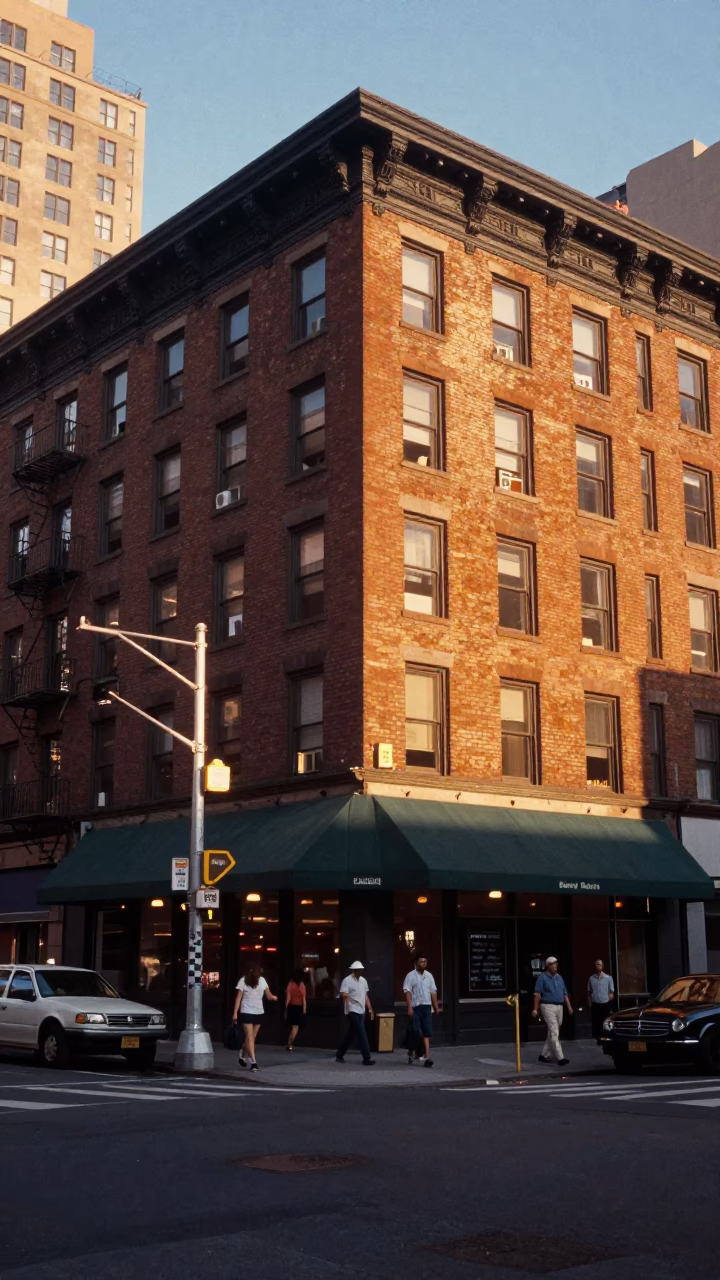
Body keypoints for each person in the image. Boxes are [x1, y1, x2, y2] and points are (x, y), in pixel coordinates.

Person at [232, 962, 278, 1072]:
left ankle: (242, 1054)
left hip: (256, 1011)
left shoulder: (254, 980)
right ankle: (253, 1062)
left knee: (251, 1037)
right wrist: (274, 997)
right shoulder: (246, 980)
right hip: (248, 1011)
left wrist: (273, 997)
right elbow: (268, 996)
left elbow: (267, 995)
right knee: (250, 1037)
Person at [532, 955, 574, 1065]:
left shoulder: (560, 978)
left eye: (556, 963)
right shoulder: (542, 978)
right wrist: (535, 1009)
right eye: (552, 964)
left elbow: (565, 994)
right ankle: (561, 1058)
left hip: (559, 1006)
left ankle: (544, 1055)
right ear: (547, 966)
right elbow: (537, 994)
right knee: (554, 1031)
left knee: (553, 1031)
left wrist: (569, 1007)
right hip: (547, 1005)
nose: (555, 965)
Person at [403, 953, 441, 1068]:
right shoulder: (410, 976)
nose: (423, 963)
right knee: (416, 1032)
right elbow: (407, 991)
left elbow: (433, 992)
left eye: (425, 961)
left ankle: (427, 1057)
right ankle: (411, 1051)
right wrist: (409, 1007)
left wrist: (436, 1007)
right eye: (421, 961)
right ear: (416, 963)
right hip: (415, 1007)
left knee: (426, 1033)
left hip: (426, 1006)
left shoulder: (429, 976)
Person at [336, 960, 375, 1065]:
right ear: (353, 970)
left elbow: (365, 996)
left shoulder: (363, 981)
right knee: (361, 1031)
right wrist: (347, 998)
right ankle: (366, 1058)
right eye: (357, 970)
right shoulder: (347, 980)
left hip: (361, 1009)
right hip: (351, 1009)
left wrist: (370, 1009)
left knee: (352, 1033)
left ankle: (340, 1054)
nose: (359, 972)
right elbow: (343, 992)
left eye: (360, 970)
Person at [587, 959, 615, 1044]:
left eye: (600, 964)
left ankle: (606, 1037)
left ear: (602, 966)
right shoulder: (591, 979)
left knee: (605, 1021)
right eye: (597, 964)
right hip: (595, 1004)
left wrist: (609, 1001)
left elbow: (611, 992)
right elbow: (589, 992)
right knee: (596, 1021)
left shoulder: (608, 978)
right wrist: (589, 1003)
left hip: (605, 1003)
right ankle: (597, 1038)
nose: (598, 966)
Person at [284, 967, 307, 1052]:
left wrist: (286, 1008)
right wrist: (304, 1009)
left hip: (291, 1006)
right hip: (299, 1007)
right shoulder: (302, 985)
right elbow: (304, 999)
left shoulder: (290, 984)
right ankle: (290, 1044)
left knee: (293, 1026)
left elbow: (288, 998)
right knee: (296, 1027)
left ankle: (289, 1044)